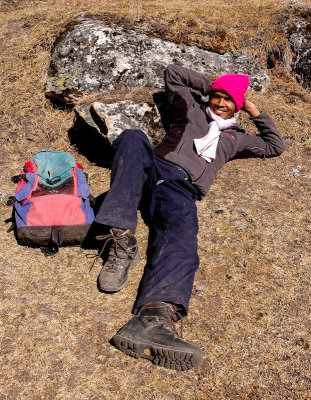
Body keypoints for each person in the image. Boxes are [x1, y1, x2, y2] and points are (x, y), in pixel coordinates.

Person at [92, 64, 286, 371]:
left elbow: (276, 145)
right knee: (132, 137)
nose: (220, 103)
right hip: (152, 166)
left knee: (181, 237)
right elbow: (173, 74)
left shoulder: (237, 139)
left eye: (228, 100)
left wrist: (252, 107)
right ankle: (120, 240)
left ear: (237, 106)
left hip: (179, 187)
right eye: (217, 97)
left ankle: (152, 319)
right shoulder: (192, 110)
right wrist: (214, 85)